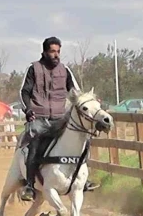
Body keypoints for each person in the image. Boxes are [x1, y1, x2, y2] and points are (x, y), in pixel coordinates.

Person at [18, 36, 100, 201]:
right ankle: (29, 186)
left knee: (82, 141)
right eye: (52, 51)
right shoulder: (33, 69)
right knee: (34, 145)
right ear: (44, 52)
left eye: (58, 52)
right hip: (38, 117)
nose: (56, 55)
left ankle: (81, 180)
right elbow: (23, 92)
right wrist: (28, 110)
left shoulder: (65, 70)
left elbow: (76, 93)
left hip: (59, 118)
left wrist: (90, 104)